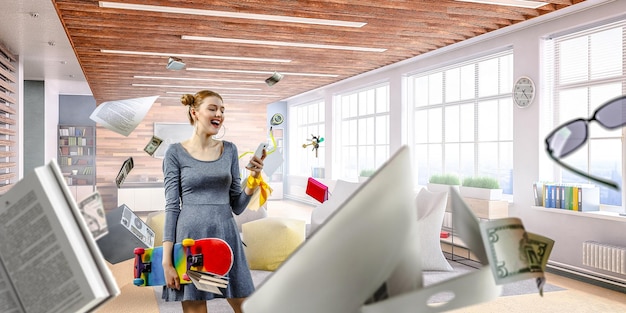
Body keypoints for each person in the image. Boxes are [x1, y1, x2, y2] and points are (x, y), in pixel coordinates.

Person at [161, 89, 266, 313]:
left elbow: (237, 205)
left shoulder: (230, 150)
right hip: (190, 239)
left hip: (226, 235)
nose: (219, 113)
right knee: (196, 307)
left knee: (247, 305)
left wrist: (254, 179)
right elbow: (171, 207)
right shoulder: (174, 153)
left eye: (222, 110)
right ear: (195, 113)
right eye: (212, 108)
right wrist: (166, 261)